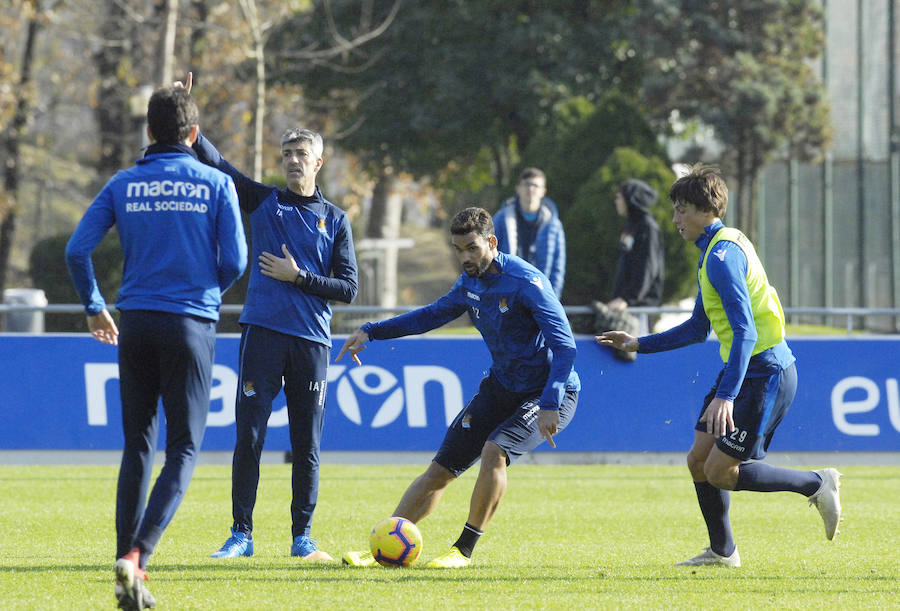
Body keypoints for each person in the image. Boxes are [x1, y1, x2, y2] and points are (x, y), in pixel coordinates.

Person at [596, 164, 841, 568]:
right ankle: (723, 552)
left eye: (681, 210)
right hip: (744, 370)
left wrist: (725, 396)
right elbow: (697, 328)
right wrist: (639, 342)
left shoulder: (722, 257)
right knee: (698, 461)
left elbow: (744, 332)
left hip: (764, 373)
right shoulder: (717, 247)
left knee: (721, 471)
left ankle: (816, 483)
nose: (675, 219)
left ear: (705, 210)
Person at [66, 85, 247, 610]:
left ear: (148, 132)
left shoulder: (124, 182)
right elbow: (235, 261)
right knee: (185, 447)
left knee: (138, 445)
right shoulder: (215, 183)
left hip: (137, 321)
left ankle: (126, 561)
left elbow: (78, 249)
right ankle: (138, 557)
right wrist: (202, 286)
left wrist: (94, 304)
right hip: (190, 322)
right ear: (194, 134)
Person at [178, 74, 359, 562]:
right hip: (262, 335)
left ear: (318, 162)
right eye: (287, 154)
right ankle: (242, 534)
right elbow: (218, 163)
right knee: (250, 437)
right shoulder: (264, 202)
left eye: (302, 154)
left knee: (307, 445)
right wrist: (186, 116)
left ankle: (303, 538)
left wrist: (298, 277)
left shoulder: (336, 220)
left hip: (312, 343)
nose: (293, 161)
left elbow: (348, 288)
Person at [337, 206, 579, 568]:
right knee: (440, 470)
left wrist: (550, 403)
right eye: (458, 250)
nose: (465, 257)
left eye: (472, 248)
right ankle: (385, 548)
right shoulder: (469, 283)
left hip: (546, 392)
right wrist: (372, 330)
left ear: (492, 242)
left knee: (495, 450)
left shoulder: (527, 283)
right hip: (502, 386)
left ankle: (462, 550)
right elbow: (429, 316)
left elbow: (565, 347)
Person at [593, 179, 665, 361]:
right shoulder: (630, 226)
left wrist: (627, 298)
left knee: (637, 358)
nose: (616, 201)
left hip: (640, 308)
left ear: (630, 199)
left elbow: (648, 268)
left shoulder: (648, 227)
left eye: (619, 197)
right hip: (626, 306)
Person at [493, 167, 566, 297]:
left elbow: (558, 269)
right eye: (526, 184)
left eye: (536, 185)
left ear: (543, 191)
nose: (531, 189)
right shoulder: (500, 219)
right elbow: (490, 258)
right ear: (518, 189)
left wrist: (551, 300)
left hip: (541, 296)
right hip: (506, 297)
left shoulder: (554, 225)